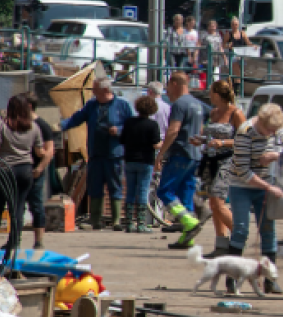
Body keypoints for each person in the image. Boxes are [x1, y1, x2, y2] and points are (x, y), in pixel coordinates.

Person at [227, 102, 283, 294]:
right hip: (241, 186)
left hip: (265, 185)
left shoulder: (276, 130)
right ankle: (232, 278)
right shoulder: (245, 132)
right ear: (260, 121)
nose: (271, 134)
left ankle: (270, 280)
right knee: (241, 230)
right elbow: (242, 171)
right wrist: (269, 187)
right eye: (268, 130)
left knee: (268, 230)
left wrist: (275, 155)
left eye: (274, 131)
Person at [60, 77, 134, 230]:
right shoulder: (92, 106)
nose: (92, 92)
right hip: (95, 154)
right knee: (95, 187)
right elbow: (76, 119)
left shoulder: (122, 105)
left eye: (95, 89)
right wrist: (59, 126)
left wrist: (119, 130)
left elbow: (133, 126)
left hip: (114, 154)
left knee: (115, 186)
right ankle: (95, 220)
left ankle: (116, 221)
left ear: (105, 90)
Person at [154, 72, 206, 248]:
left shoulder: (179, 104)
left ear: (175, 84)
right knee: (186, 195)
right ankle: (187, 238)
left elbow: (173, 130)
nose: (167, 92)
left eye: (168, 87)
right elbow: (200, 129)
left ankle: (189, 222)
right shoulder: (196, 104)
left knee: (164, 191)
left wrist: (161, 153)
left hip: (180, 153)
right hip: (195, 155)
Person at [194, 80, 245, 258]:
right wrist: (200, 140)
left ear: (218, 94)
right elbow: (210, 136)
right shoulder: (214, 112)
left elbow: (245, 139)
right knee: (214, 205)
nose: (209, 95)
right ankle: (221, 245)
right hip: (210, 161)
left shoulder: (236, 113)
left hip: (227, 161)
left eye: (211, 91)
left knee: (217, 202)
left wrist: (223, 142)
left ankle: (240, 237)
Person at [0, 93, 44, 251]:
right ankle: (14, 243)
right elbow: (39, 152)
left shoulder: (2, 126)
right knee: (18, 208)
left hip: (5, 170)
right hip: (25, 170)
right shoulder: (34, 127)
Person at [120, 94, 162, 233]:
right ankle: (141, 224)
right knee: (143, 191)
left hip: (130, 160)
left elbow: (122, 140)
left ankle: (129, 224)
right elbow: (156, 144)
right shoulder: (152, 125)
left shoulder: (129, 122)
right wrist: (163, 143)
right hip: (145, 161)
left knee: (130, 191)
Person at [24, 93, 56, 249]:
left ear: (29, 106)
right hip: (21, 170)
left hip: (35, 172)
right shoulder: (19, 123)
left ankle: (39, 241)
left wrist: (39, 168)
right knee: (17, 206)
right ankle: (15, 239)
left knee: (36, 206)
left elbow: (49, 151)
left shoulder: (42, 125)